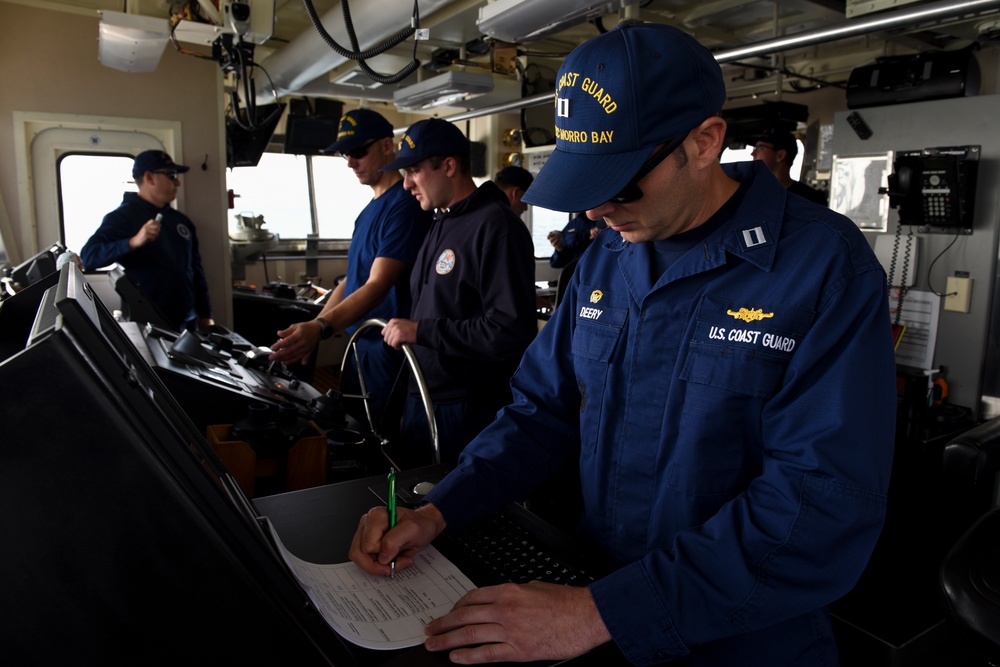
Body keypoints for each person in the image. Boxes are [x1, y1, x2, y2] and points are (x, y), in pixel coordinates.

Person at [350, 22, 896, 666]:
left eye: (621, 182)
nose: (595, 211)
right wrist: (440, 509)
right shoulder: (610, 255)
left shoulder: (822, 267)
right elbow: (541, 413)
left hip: (739, 637)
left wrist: (606, 611)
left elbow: (819, 505)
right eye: (584, 186)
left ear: (704, 141)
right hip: (592, 602)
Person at [378, 118, 537, 464]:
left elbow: (509, 330)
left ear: (449, 166)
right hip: (424, 396)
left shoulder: (497, 227)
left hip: (465, 407)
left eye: (414, 171)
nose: (405, 185)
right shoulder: (441, 221)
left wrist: (421, 331)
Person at [268, 109, 431, 420]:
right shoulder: (369, 210)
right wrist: (315, 328)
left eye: (358, 152)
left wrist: (320, 328)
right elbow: (352, 280)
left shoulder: (405, 206)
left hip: (387, 349)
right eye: (345, 154)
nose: (350, 163)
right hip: (360, 346)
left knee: (381, 436)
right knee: (355, 426)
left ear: (387, 145)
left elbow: (377, 285)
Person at [81, 150, 214, 332]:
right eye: (172, 175)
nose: (177, 183)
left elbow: (196, 270)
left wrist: (206, 315)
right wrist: (133, 242)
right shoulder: (123, 217)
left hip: (188, 322)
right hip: (148, 323)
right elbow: (90, 256)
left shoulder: (181, 221)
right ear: (150, 178)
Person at [751, 129, 828, 205]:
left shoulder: (811, 199)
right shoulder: (751, 193)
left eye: (759, 149)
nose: (753, 153)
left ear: (780, 155)